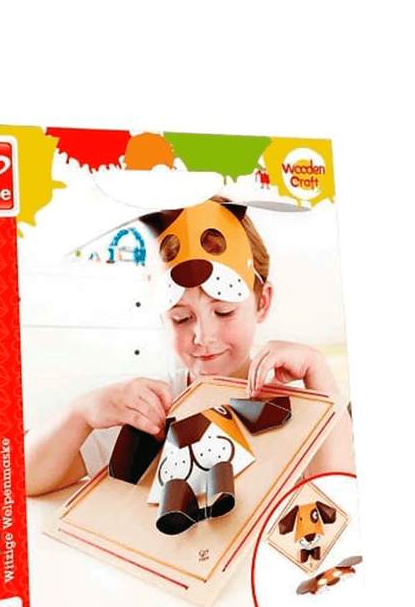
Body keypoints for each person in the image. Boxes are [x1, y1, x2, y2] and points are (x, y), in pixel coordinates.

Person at [24, 196, 356, 496]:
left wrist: (318, 369)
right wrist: (81, 412)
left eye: (223, 311)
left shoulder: (298, 399)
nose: (203, 336)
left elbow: (338, 497)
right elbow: (26, 479)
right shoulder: (153, 407)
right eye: (181, 318)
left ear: (262, 302)